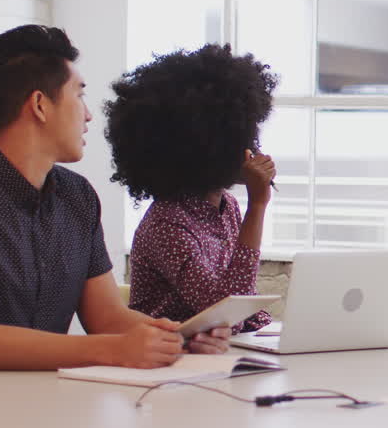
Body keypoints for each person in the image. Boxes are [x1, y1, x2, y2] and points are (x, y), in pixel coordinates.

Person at [0, 25, 184, 370]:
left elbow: (108, 318)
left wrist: (177, 337)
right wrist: (110, 350)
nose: (89, 114)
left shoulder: (78, 196)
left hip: (56, 406)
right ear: (39, 105)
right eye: (79, 95)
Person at [106, 45, 277, 349]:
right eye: (239, 137)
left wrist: (276, 330)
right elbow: (224, 310)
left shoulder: (227, 207)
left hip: (215, 355)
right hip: (165, 362)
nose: (250, 147)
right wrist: (259, 205)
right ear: (205, 149)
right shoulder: (166, 224)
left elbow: (238, 309)